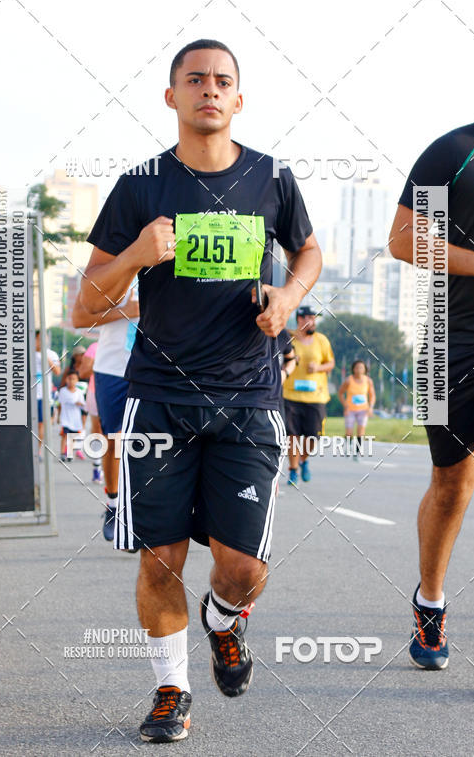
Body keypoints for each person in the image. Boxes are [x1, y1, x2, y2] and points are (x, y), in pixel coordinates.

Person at [81, 38, 322, 743]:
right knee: (162, 559)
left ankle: (224, 619)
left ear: (238, 99)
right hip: (157, 398)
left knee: (243, 567)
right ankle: (170, 690)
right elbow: (85, 308)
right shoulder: (140, 186)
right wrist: (133, 254)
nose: (208, 90)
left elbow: (308, 249)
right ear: (172, 97)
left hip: (249, 400)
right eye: (195, 80)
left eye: (222, 81)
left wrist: (290, 293)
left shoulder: (271, 179)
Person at [389, 27, 474, 679]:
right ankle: (430, 601)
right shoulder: (457, 153)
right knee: (452, 486)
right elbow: (405, 240)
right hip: (451, 343)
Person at [72, 288, 140, 535]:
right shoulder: (117, 266)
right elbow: (79, 318)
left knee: (159, 440)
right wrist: (126, 311)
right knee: (114, 439)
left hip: (154, 367)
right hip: (112, 368)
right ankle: (114, 506)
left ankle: (146, 509)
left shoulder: (170, 264)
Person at [282, 305, 335, 485]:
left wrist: (318, 368)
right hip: (290, 395)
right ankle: (293, 470)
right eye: (308, 318)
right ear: (300, 319)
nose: (312, 322)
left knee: (313, 436)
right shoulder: (289, 339)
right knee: (292, 436)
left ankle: (304, 460)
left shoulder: (322, 340)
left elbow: (330, 363)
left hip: (316, 397)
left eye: (314, 318)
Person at [338, 360, 375, 460]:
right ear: (353, 369)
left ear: (365, 370)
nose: (359, 370)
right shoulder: (348, 380)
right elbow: (340, 393)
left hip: (363, 409)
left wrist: (371, 407)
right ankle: (348, 446)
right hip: (350, 409)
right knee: (349, 432)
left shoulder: (368, 381)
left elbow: (372, 396)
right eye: (357, 368)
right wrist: (345, 405)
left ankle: (357, 453)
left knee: (361, 431)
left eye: (361, 368)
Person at [78, 342, 103, 482]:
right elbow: (83, 372)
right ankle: (97, 466)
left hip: (121, 391)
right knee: (97, 430)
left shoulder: (130, 342)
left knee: (117, 432)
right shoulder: (95, 347)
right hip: (96, 392)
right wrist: (101, 363)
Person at [34, 330, 61, 459]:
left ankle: (37, 450)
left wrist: (45, 356)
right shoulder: (28, 353)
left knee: (41, 425)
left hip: (44, 396)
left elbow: (57, 371)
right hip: (31, 394)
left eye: (44, 339)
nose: (42, 342)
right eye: (39, 339)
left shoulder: (51, 354)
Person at [58, 370, 86, 462]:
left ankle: (69, 453)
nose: (71, 381)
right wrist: (58, 417)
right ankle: (62, 453)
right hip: (65, 418)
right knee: (65, 435)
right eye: (69, 379)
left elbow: (83, 405)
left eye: (73, 379)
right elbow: (61, 403)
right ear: (66, 379)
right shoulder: (63, 391)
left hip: (75, 419)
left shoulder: (79, 392)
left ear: (77, 380)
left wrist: (80, 404)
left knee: (72, 436)